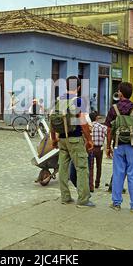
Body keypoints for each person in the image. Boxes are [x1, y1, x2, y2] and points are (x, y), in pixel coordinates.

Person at [50, 76, 95, 208]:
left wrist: (54, 139)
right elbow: (83, 123)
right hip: (75, 139)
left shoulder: (58, 101)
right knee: (81, 168)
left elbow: (52, 121)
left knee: (63, 169)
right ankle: (83, 200)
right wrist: (89, 140)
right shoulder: (78, 101)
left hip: (62, 139)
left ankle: (65, 197)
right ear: (79, 87)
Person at [105, 82, 133, 212]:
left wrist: (108, 146)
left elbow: (108, 129)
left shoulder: (114, 109)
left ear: (120, 93)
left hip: (118, 145)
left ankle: (116, 203)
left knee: (118, 173)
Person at [89, 111, 107, 190]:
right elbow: (108, 134)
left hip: (90, 148)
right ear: (96, 118)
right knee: (99, 166)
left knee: (90, 166)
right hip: (99, 148)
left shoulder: (89, 126)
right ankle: (97, 183)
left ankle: (90, 184)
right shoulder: (102, 127)